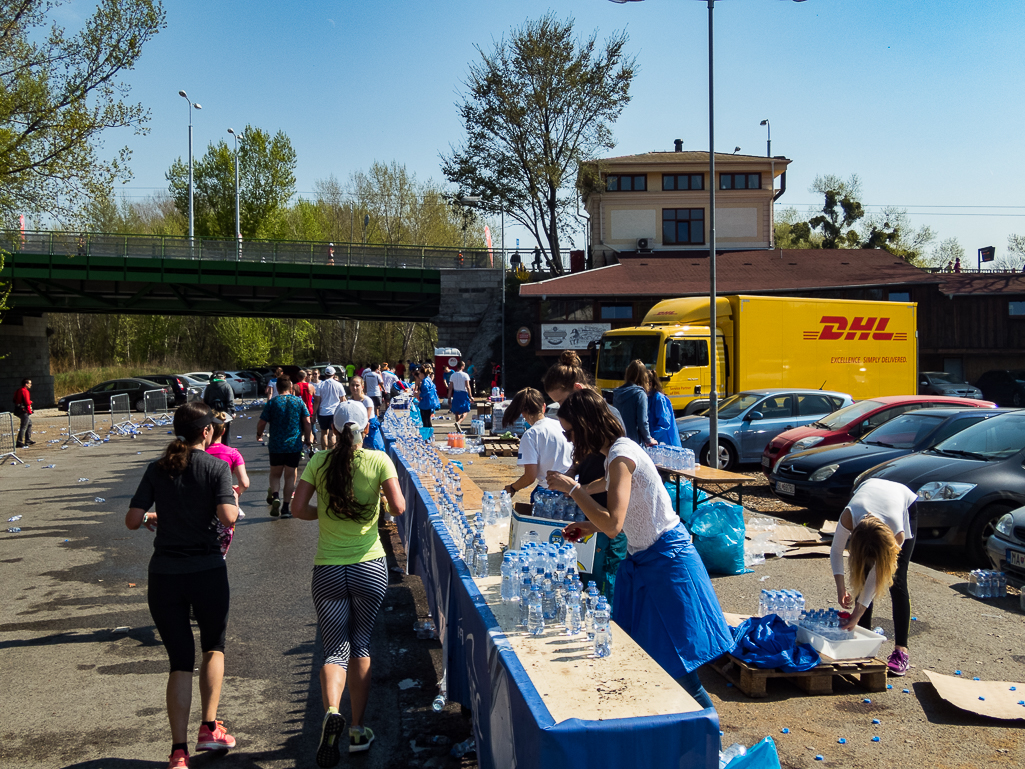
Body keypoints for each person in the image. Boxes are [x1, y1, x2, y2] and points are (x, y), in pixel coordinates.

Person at [547, 388, 734, 711]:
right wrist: (588, 524)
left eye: (570, 432)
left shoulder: (620, 455)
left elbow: (614, 524)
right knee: (648, 660)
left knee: (677, 667)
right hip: (648, 562)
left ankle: (709, 739)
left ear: (586, 425)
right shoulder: (616, 454)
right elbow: (617, 502)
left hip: (668, 564)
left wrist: (573, 489)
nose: (569, 440)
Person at [125, 403, 239, 768]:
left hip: (165, 575)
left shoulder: (157, 468)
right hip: (206, 570)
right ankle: (209, 727)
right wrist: (231, 499)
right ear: (207, 432)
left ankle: (179, 752)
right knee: (213, 646)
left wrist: (155, 517)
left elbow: (131, 520)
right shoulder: (217, 467)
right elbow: (226, 516)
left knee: (179, 661)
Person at [292, 400, 406, 763]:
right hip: (369, 566)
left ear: (335, 428)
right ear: (366, 427)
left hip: (328, 568)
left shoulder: (317, 462)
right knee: (360, 644)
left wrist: (325, 514)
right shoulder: (378, 460)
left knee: (334, 649)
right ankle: (357, 728)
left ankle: (330, 713)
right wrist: (375, 509)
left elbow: (296, 509)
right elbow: (399, 507)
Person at [542, 350, 627, 599]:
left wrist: (578, 489)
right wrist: (572, 471)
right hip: (591, 512)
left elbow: (617, 479)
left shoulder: (610, 421)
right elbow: (583, 454)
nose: (570, 436)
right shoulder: (585, 424)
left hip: (607, 514)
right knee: (585, 580)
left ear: (579, 389)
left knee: (603, 589)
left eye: (565, 402)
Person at [831, 478, 917, 677]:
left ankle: (901, 651)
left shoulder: (897, 533)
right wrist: (841, 587)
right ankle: (862, 639)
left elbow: (878, 573)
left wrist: (857, 612)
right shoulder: (848, 516)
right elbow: (836, 552)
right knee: (863, 572)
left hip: (904, 500)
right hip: (869, 489)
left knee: (897, 579)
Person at [501, 388, 572, 502]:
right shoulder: (560, 425)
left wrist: (512, 488)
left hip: (550, 493)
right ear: (544, 407)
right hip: (573, 489)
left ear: (523, 413)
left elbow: (530, 477)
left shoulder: (531, 435)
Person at [257, 376, 312, 518]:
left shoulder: (272, 402)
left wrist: (259, 434)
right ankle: (286, 507)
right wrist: (308, 438)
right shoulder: (298, 402)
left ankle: (275, 496)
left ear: (277, 388)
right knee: (290, 476)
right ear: (291, 387)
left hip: (276, 444)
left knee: (275, 474)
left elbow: (262, 422)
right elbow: (307, 421)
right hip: (293, 445)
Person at [207, 411, 250, 558]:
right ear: (223, 431)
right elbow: (244, 482)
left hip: (201, 506)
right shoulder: (232, 453)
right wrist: (236, 491)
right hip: (224, 505)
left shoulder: (200, 452)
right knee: (219, 554)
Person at [613, 360, 655, 447]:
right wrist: (648, 439)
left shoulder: (617, 393)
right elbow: (642, 421)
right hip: (634, 443)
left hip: (619, 441)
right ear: (643, 376)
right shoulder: (640, 394)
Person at [314, 367, 347, 452]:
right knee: (333, 434)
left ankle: (324, 452)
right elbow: (343, 399)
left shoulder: (320, 385)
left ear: (325, 374)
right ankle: (332, 452)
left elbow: (317, 401)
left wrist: (313, 414)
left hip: (323, 412)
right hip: (334, 412)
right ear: (334, 374)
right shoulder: (338, 385)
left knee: (324, 433)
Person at [646, 369, 681, 447]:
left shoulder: (658, 398)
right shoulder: (648, 398)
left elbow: (664, 423)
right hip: (656, 442)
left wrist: (649, 438)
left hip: (665, 443)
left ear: (650, 384)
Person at [203, 373, 235, 446]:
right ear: (224, 377)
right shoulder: (227, 386)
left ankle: (211, 446)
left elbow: (205, 400)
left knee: (212, 429)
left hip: (212, 411)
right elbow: (230, 400)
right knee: (225, 431)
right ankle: (225, 447)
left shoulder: (209, 387)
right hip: (224, 412)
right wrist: (232, 412)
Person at [294, 370, 316, 455]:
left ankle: (301, 450)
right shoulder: (311, 386)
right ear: (305, 377)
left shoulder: (295, 386)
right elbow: (315, 399)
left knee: (299, 431)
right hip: (309, 411)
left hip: (299, 412)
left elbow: (293, 399)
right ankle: (310, 447)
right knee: (310, 431)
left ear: (297, 377)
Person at [448, 360, 473, 431]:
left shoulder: (453, 375)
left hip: (456, 393)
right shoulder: (465, 375)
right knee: (466, 410)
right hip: (463, 394)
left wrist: (449, 397)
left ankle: (458, 427)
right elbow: (468, 386)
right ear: (462, 367)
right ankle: (459, 422)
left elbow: (450, 388)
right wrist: (470, 396)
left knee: (457, 411)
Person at [13, 377, 34, 448]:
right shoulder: (24, 391)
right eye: (30, 383)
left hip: (18, 410)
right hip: (23, 411)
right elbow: (27, 402)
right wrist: (31, 402)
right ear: (26, 384)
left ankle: (28, 440)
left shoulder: (18, 390)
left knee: (29, 423)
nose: (31, 385)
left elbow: (14, 399)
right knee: (24, 426)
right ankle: (19, 442)